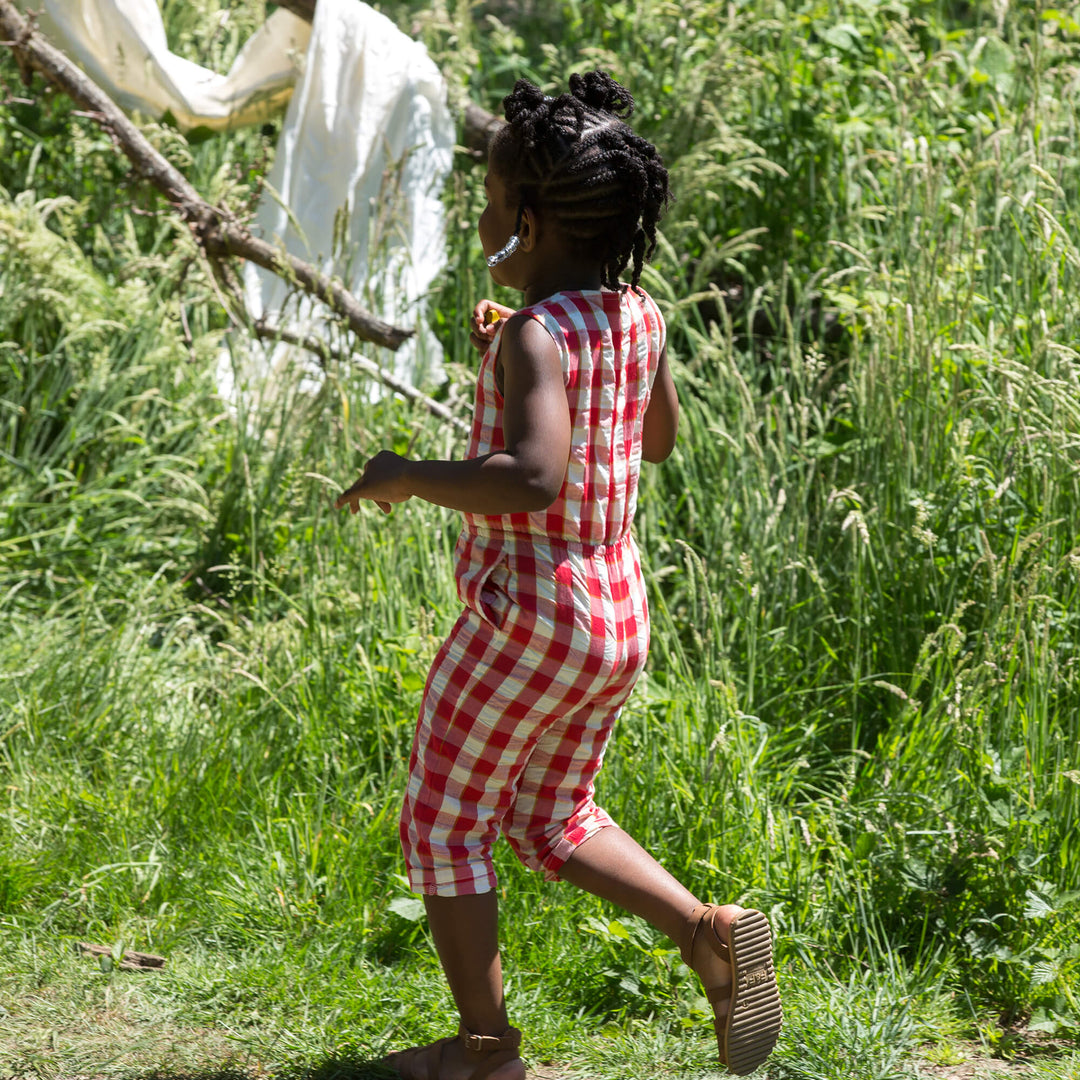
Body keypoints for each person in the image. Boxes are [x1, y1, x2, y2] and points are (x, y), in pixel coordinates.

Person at [335, 70, 782, 1080]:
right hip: (615, 613)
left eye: (495, 201)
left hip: (527, 617)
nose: (485, 211)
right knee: (551, 814)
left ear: (529, 221)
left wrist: (410, 474)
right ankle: (705, 931)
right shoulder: (637, 316)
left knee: (445, 819)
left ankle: (486, 1052)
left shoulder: (539, 335)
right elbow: (657, 437)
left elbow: (534, 478)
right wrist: (540, 358)